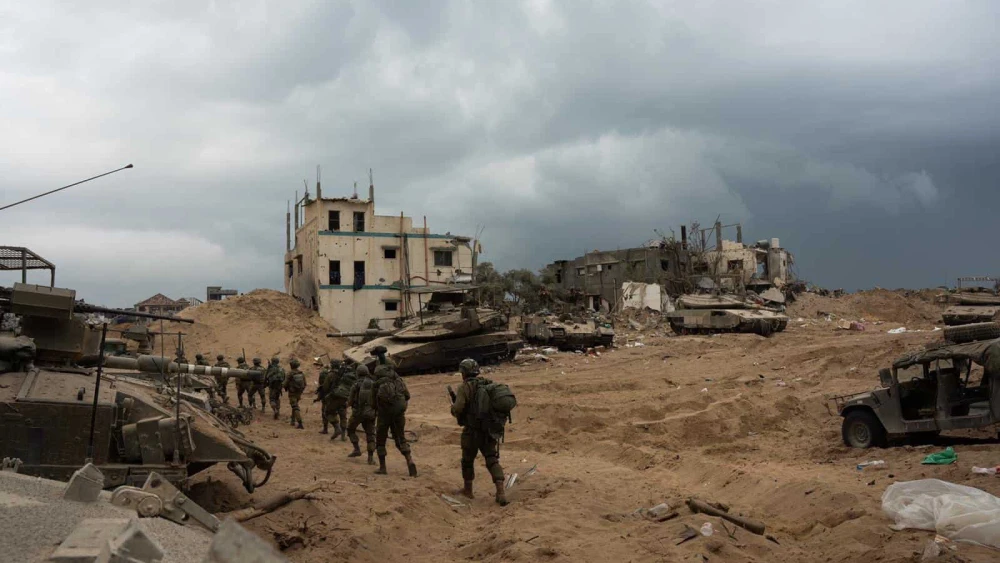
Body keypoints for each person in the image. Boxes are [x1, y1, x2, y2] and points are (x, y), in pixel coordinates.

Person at [451, 358, 508, 506]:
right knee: (491, 459)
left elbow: (458, 408)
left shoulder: (464, 387)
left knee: (467, 460)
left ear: (463, 373)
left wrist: (453, 409)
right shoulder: (487, 384)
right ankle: (500, 492)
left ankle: (468, 490)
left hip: (472, 431)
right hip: (488, 430)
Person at [370, 350, 417, 477]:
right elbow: (407, 395)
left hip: (384, 415)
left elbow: (372, 403)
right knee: (400, 439)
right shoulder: (398, 380)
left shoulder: (377, 383)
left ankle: (383, 467)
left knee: (380, 440)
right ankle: (409, 461)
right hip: (398, 414)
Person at [346, 363, 376, 465]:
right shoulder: (373, 384)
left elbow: (350, 401)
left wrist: (344, 406)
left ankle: (356, 449)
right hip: (370, 413)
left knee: (350, 429)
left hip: (357, 413)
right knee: (370, 435)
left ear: (357, 373)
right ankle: (370, 458)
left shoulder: (355, 385)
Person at [323, 359, 352, 441]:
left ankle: (337, 428)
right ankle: (343, 436)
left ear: (332, 365)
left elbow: (325, 387)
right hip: (344, 397)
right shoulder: (345, 374)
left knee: (328, 413)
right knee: (343, 415)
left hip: (334, 397)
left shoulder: (331, 374)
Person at [284, 358, 306, 429]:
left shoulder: (290, 373)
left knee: (295, 407)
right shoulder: (301, 373)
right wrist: (301, 391)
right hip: (298, 393)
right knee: (294, 406)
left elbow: (285, 384)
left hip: (292, 393)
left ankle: (300, 423)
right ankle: (292, 421)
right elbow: (305, 384)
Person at [315, 360, 333, 434]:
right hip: (335, 395)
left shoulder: (323, 373)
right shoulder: (337, 373)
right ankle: (339, 429)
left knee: (324, 412)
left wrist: (319, 397)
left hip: (326, 395)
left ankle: (326, 429)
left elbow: (322, 386)